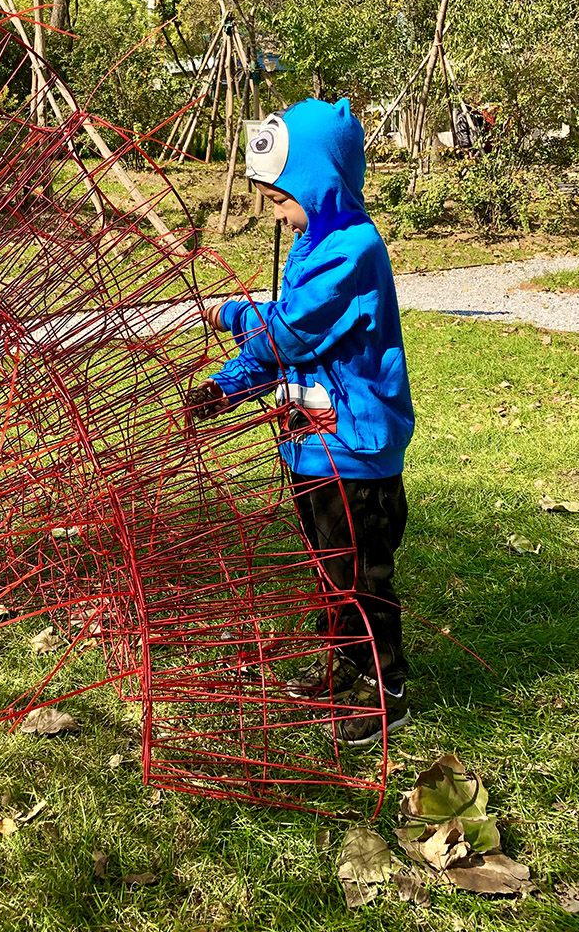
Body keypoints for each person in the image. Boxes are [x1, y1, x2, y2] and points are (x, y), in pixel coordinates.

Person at [188, 98, 415, 746]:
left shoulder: (353, 250)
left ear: (319, 180)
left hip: (355, 453)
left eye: (282, 198)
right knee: (329, 571)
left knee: (363, 581)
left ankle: (385, 692)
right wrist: (224, 388)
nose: (278, 214)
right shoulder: (310, 250)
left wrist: (231, 315)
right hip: (310, 451)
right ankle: (344, 667)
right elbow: (287, 352)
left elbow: (287, 333)